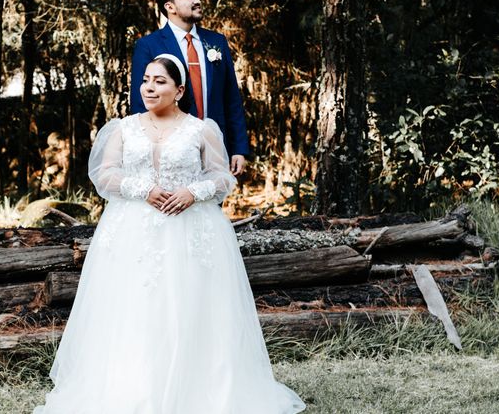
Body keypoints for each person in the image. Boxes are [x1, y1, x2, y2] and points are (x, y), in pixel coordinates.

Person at [34, 56, 305, 414]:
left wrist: (193, 192)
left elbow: (223, 178)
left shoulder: (201, 129)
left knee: (191, 308)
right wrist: (141, 188)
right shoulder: (123, 128)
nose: (149, 87)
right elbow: (104, 174)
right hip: (134, 231)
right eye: (146, 80)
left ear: (179, 90)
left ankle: (199, 391)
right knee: (135, 309)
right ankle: (134, 390)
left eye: (160, 81)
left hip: (191, 230)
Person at [131, 0, 249, 177]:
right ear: (170, 7)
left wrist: (238, 148)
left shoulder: (217, 42)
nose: (197, 0)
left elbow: (231, 98)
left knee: (209, 206)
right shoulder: (149, 45)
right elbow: (141, 103)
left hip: (215, 147)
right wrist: (152, 151)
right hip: (172, 150)